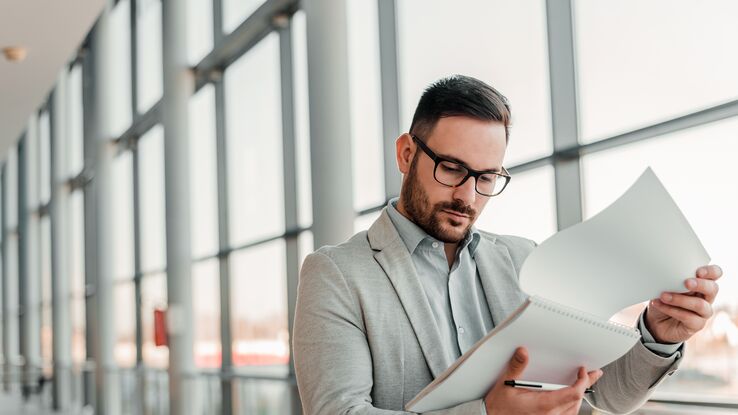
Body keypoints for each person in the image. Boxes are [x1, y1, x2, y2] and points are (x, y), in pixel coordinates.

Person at [292, 75, 723, 414]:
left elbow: (604, 393)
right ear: (406, 154)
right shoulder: (338, 274)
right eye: (451, 168)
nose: (468, 196)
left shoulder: (522, 259)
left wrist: (658, 336)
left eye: (486, 178)